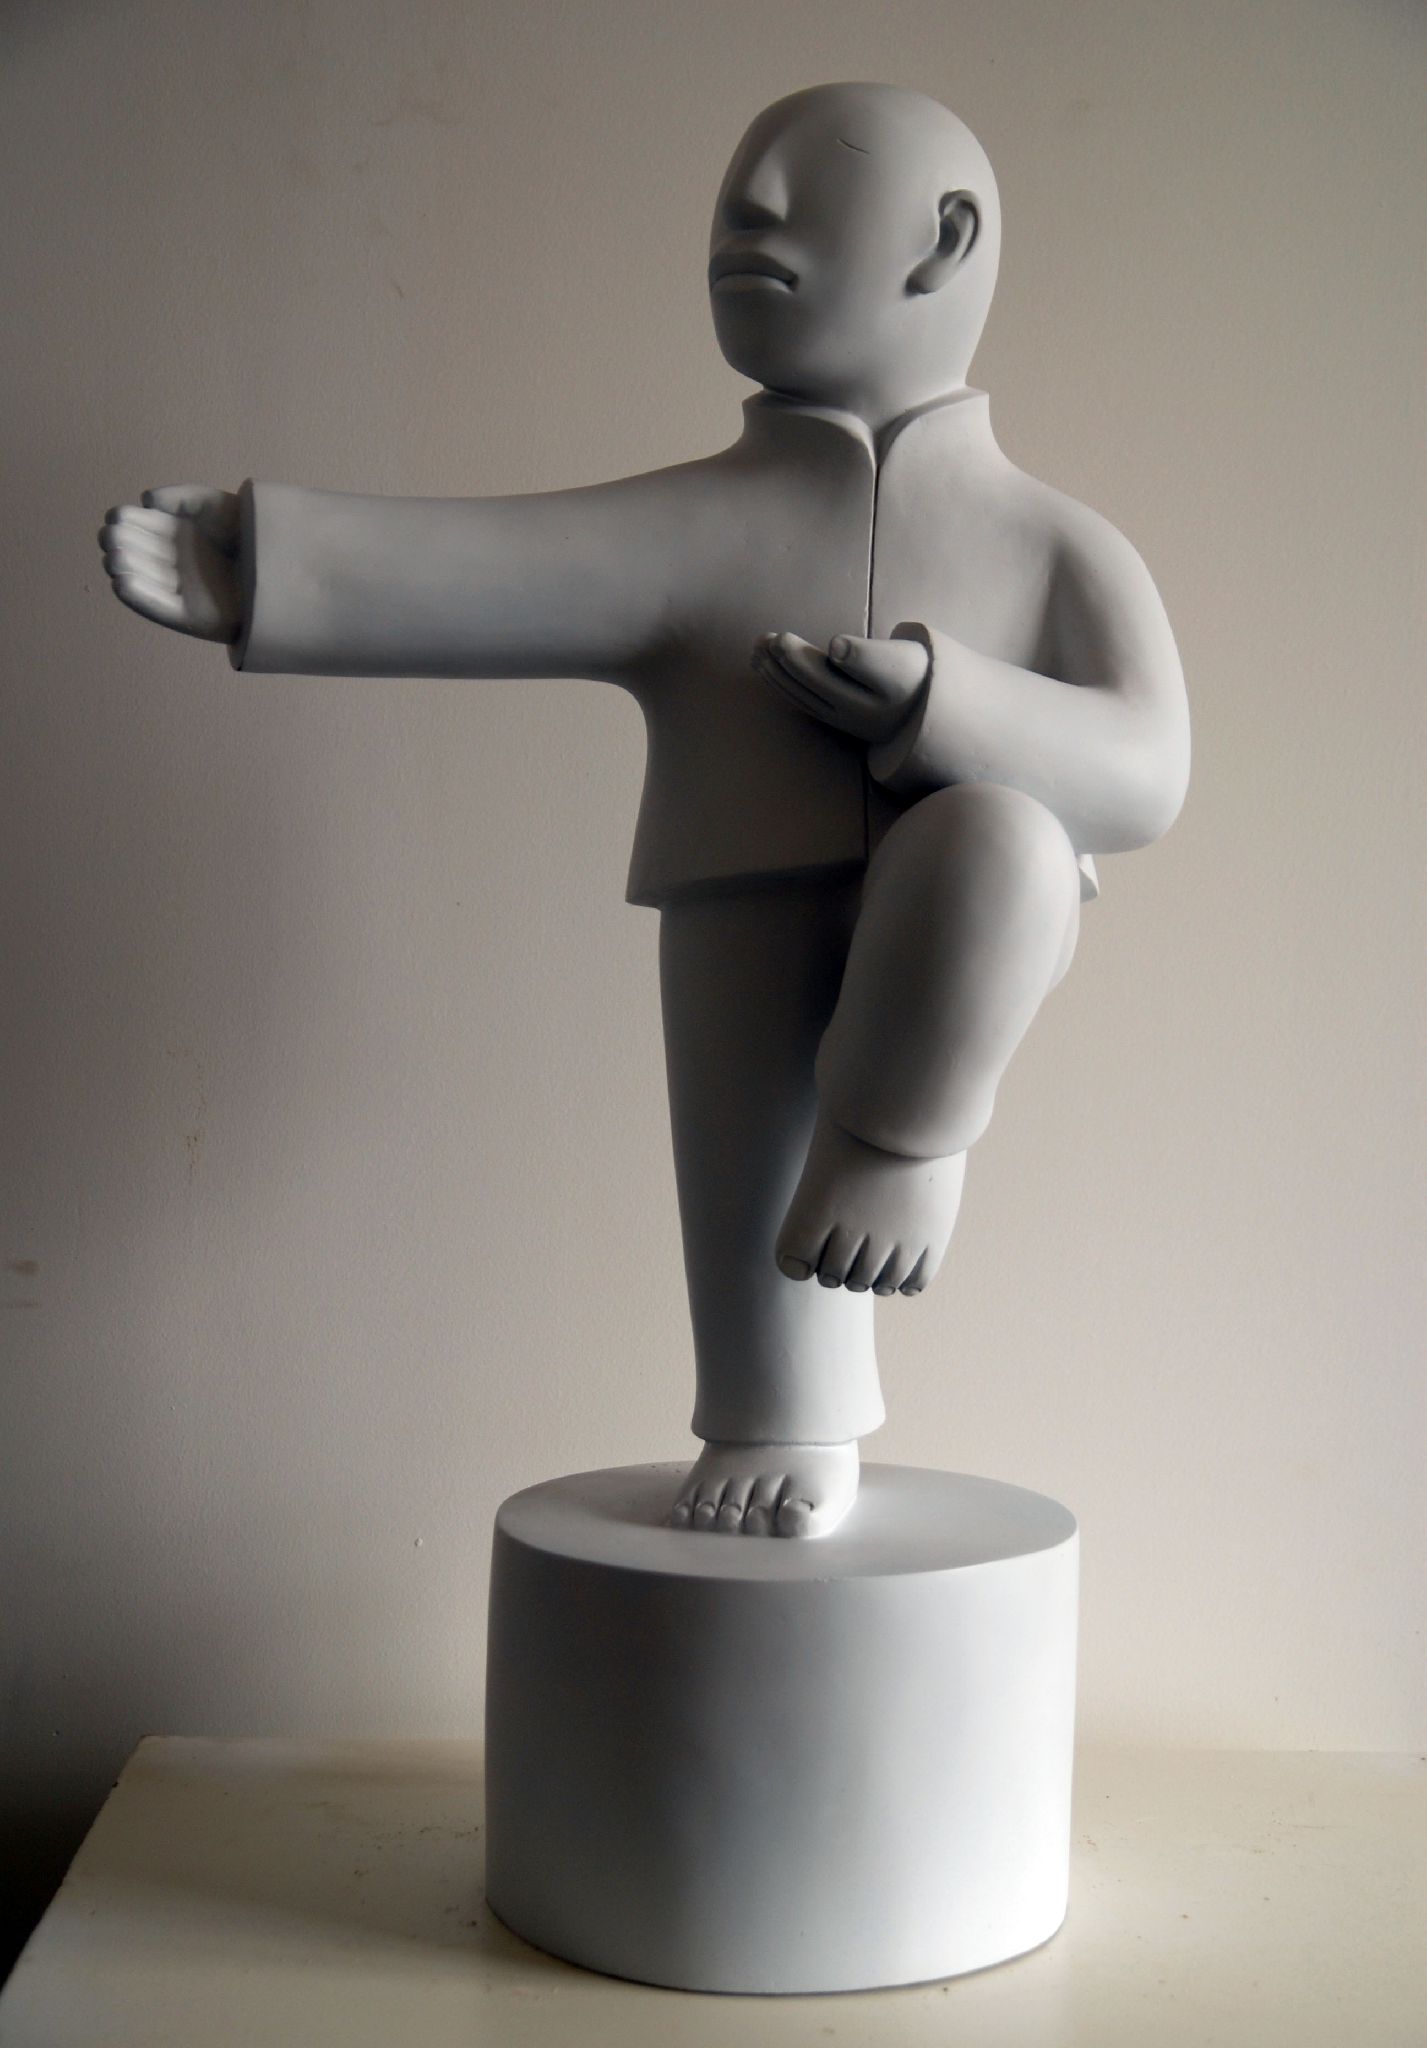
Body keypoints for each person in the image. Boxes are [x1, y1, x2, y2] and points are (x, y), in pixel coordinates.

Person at [99, 82, 1189, 1537]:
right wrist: (276, 565)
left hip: (978, 919)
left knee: (1000, 842)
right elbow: (498, 567)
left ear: (945, 240)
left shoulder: (1054, 546)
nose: (747, 209)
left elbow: (1147, 767)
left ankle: (901, 1137)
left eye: (799, 181)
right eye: (740, 184)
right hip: (737, 895)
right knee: (747, 1181)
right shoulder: (695, 523)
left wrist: (944, 704)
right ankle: (779, 1414)